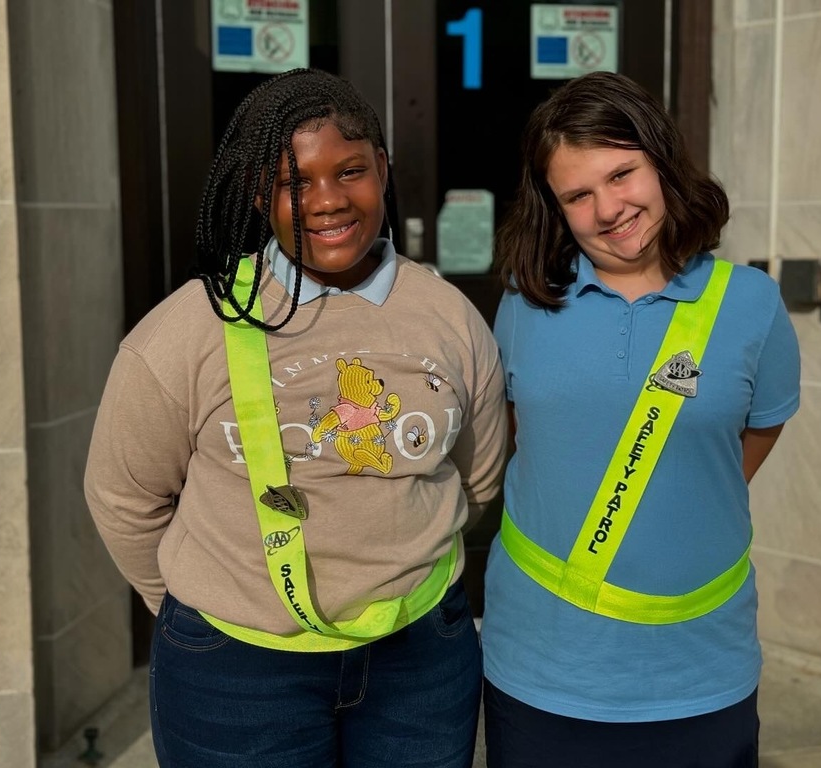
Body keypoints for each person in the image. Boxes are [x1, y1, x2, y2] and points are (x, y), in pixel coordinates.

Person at [84, 68, 507, 768]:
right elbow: (123, 497)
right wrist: (204, 609)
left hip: (419, 659)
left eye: (351, 171)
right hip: (237, 671)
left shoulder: (449, 316)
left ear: (384, 171)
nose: (328, 200)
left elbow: (476, 480)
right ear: (257, 194)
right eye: (294, 181)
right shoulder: (191, 327)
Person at [481, 71, 801, 768]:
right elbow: (517, 435)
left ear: (659, 160)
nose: (608, 208)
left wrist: (679, 493)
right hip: (543, 665)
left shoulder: (751, 304)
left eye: (621, 173)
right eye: (578, 194)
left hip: (700, 668)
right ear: (556, 209)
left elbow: (761, 427)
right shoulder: (524, 306)